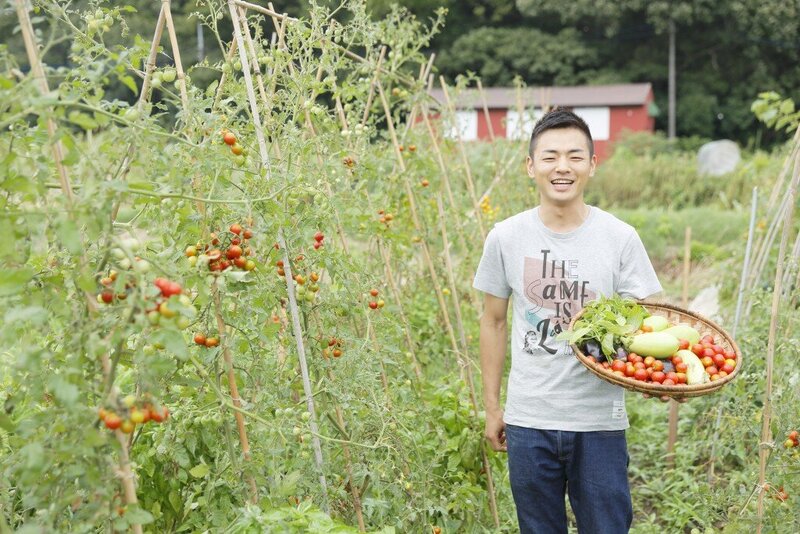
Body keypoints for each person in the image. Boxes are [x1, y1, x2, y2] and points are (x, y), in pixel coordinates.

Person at [473, 107, 663, 533]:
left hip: (599, 422)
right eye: (550, 156)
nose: (563, 167)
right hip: (529, 420)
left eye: (575, 156)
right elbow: (493, 322)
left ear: (592, 165)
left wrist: (656, 377)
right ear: (531, 166)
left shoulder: (619, 237)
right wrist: (492, 408)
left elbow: (650, 319)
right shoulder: (506, 236)